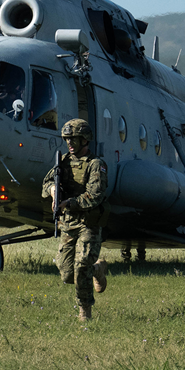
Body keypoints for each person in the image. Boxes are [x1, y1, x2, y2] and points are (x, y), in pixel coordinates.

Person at [42, 118, 110, 321]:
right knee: (66, 274)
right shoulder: (62, 162)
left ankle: (85, 312)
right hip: (69, 223)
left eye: (74, 139)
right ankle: (98, 269)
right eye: (67, 140)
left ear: (84, 140)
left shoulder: (96, 165)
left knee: (81, 267)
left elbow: (95, 195)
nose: (70, 143)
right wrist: (54, 190)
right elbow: (45, 183)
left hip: (89, 223)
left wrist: (69, 203)